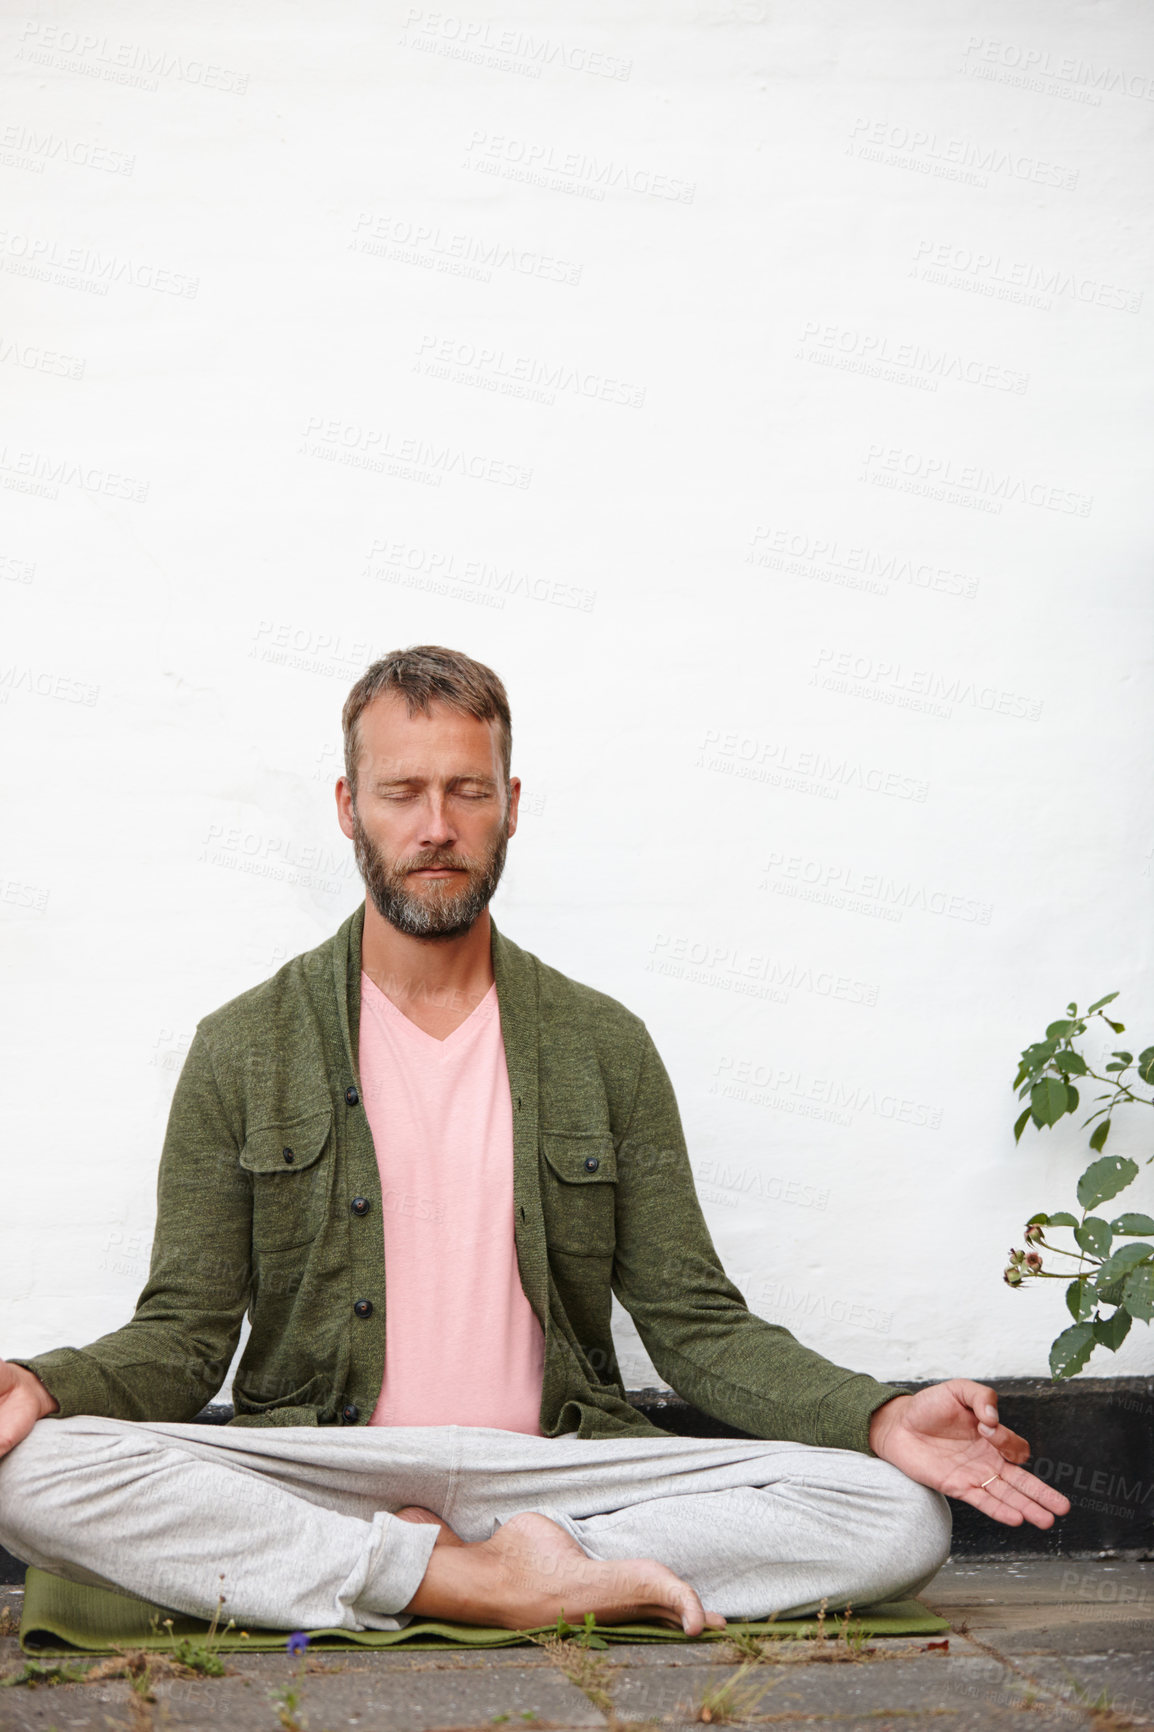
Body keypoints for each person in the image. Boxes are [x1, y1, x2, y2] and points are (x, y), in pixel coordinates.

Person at [0, 646, 1069, 1637]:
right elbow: (184, 1335)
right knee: (33, 1472)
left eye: (466, 790)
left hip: (557, 1469)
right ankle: (476, 1579)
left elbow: (693, 1323)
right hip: (323, 1463)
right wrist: (42, 1384)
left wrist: (874, 1413)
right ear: (347, 808)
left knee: (893, 1513)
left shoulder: (603, 1044)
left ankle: (488, 1561)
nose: (435, 826)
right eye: (402, 792)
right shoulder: (241, 1046)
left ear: (509, 807)